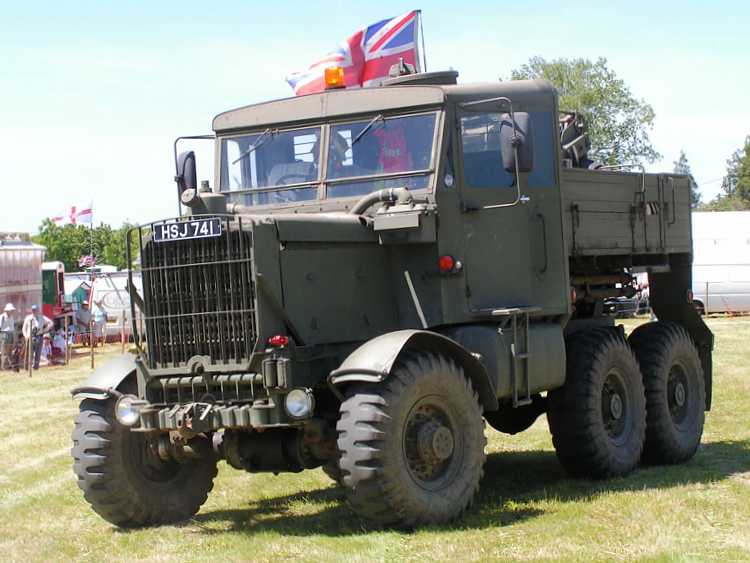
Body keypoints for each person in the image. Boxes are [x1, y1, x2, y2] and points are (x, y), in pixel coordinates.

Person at [22, 305, 54, 370]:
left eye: (35, 310)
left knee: (38, 353)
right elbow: (24, 329)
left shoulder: (42, 317)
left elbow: (51, 323)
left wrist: (45, 330)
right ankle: (27, 368)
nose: (34, 311)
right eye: (33, 310)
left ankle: (36, 367)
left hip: (39, 336)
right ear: (31, 310)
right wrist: (25, 336)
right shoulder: (28, 318)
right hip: (30, 337)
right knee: (29, 353)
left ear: (38, 310)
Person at [0, 303, 17, 370]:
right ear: (7, 310)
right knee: (4, 352)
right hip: (4, 335)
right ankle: (5, 367)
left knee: (9, 351)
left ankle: (9, 366)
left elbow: (12, 328)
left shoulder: (11, 317)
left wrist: (13, 337)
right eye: (11, 310)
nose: (12, 311)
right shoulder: (2, 317)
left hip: (10, 335)